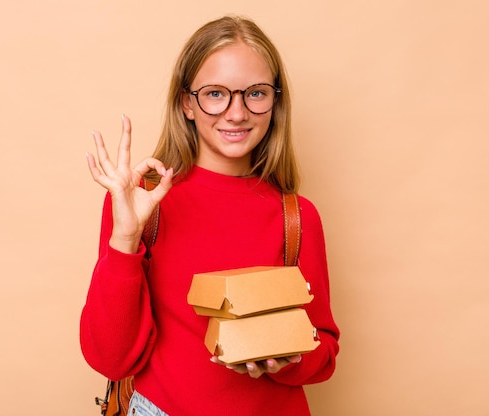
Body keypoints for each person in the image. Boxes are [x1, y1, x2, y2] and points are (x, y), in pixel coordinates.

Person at [80, 15, 340, 416]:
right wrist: (125, 240)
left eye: (255, 93)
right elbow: (112, 360)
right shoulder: (144, 203)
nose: (236, 113)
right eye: (216, 94)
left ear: (275, 101)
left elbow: (323, 350)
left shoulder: (297, 217)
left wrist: (289, 358)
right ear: (187, 103)